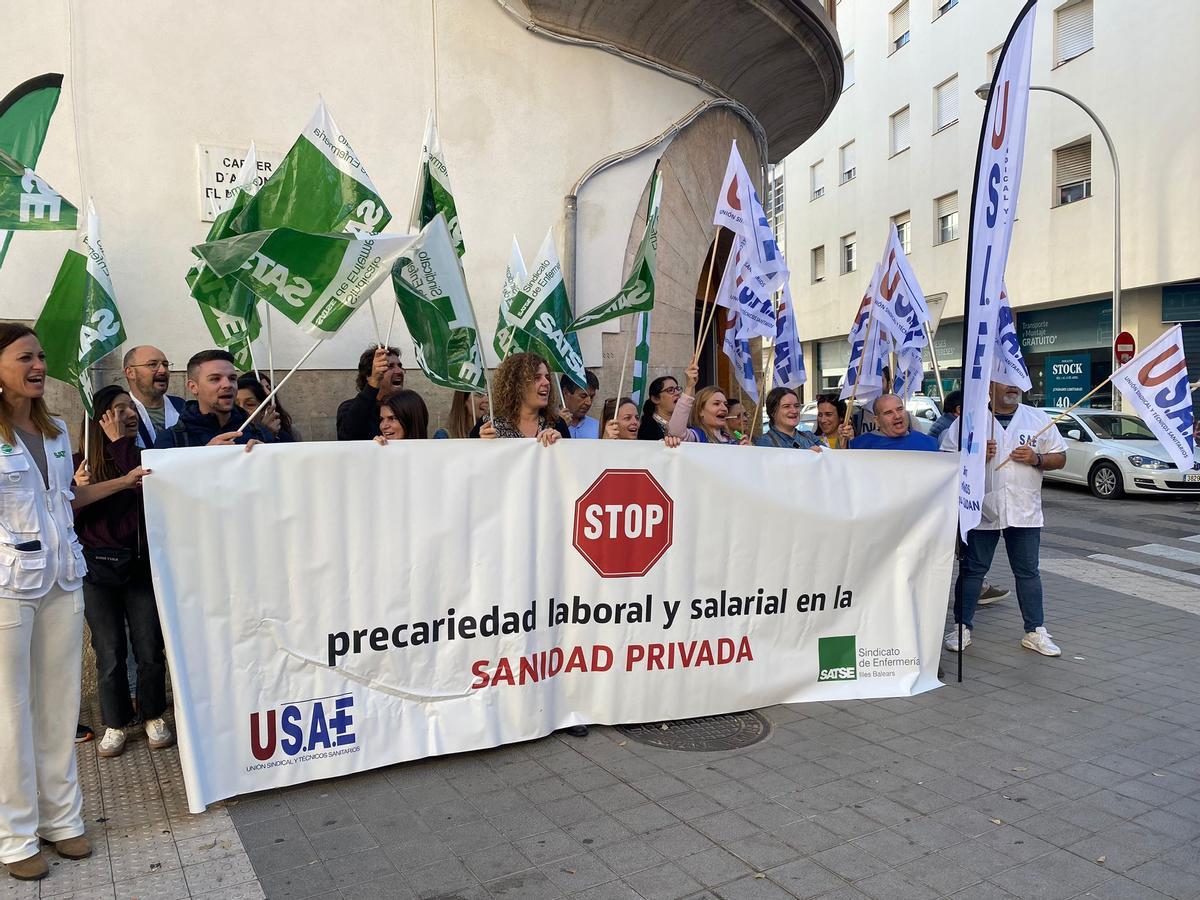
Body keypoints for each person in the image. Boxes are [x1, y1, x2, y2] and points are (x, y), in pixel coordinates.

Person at [0, 324, 147, 880]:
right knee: (10, 713)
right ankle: (14, 836)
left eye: (41, 356)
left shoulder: (58, 430)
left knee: (59, 707)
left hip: (64, 579)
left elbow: (66, 497)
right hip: (9, 588)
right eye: (25, 358)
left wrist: (121, 481)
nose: (38, 366)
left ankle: (61, 820)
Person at [72, 386, 172, 760]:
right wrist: (80, 489)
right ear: (99, 419)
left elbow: (142, 486)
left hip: (139, 565)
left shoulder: (142, 455)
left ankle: (152, 715)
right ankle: (115, 722)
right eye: (117, 410)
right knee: (109, 650)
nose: (128, 414)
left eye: (130, 408)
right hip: (96, 570)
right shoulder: (80, 463)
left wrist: (120, 445)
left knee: (149, 646)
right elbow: (70, 515)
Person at [943, 382, 1066, 656]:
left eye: (1016, 381)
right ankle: (962, 627)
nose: (1013, 386)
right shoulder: (969, 420)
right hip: (981, 508)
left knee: (1027, 572)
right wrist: (972, 457)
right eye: (1005, 380)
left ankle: (1035, 631)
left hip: (1024, 509)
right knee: (973, 571)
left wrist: (1038, 458)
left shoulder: (1038, 418)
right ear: (989, 385)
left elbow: (1060, 457)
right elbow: (945, 459)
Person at [152, 350, 278, 449]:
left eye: (232, 378)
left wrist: (264, 456)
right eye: (215, 379)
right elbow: (167, 481)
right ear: (193, 387)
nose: (227, 385)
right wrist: (206, 456)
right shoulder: (171, 440)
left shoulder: (260, 434)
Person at [475, 352, 569, 445]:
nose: (547, 382)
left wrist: (560, 445)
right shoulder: (489, 424)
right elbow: (471, 458)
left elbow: (569, 459)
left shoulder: (557, 424)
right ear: (517, 385)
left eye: (547, 377)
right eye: (537, 377)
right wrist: (482, 444)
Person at [122, 345, 185, 449]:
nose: (162, 370)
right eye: (152, 364)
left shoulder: (182, 407)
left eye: (165, 365)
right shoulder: (120, 413)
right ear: (130, 372)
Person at [669, 365, 750, 445]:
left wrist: (748, 449)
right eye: (716, 404)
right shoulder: (697, 436)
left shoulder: (732, 437)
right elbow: (676, 433)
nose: (724, 408)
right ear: (700, 411)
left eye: (725, 404)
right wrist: (689, 387)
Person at [337, 346, 404, 441]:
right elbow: (347, 436)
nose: (399, 371)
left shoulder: (406, 406)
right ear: (369, 375)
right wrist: (374, 382)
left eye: (400, 366)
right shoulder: (348, 408)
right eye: (390, 366)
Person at [841, 394, 939, 451]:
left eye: (900, 409)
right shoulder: (859, 446)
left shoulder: (930, 444)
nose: (897, 416)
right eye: (888, 413)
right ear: (877, 420)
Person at [754, 388, 822, 450]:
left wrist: (822, 453)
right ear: (772, 412)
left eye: (796, 406)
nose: (794, 411)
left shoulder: (810, 437)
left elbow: (830, 459)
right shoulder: (764, 443)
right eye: (786, 406)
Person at [236, 374, 297, 442]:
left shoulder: (283, 438)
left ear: (264, 410)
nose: (240, 409)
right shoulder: (225, 436)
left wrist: (266, 434)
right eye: (234, 405)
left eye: (250, 404)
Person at [637, 375, 681, 441]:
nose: (677, 393)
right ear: (655, 399)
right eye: (670, 390)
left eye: (677, 389)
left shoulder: (684, 424)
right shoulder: (647, 429)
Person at [561, 371, 600, 439]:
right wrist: (560, 427)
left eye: (592, 397)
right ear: (566, 393)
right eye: (583, 396)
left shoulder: (598, 427)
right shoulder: (549, 425)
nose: (589, 403)